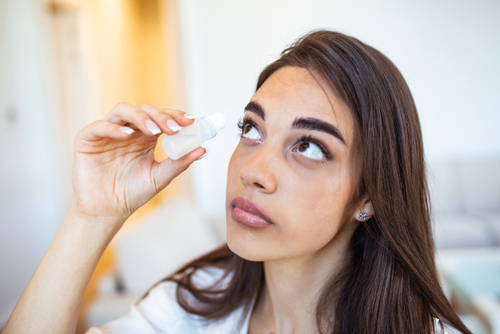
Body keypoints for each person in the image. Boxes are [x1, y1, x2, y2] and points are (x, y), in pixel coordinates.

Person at [2, 30, 471, 334]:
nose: (253, 170)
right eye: (252, 129)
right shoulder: (190, 306)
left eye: (309, 146)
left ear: (367, 197)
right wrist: (89, 219)